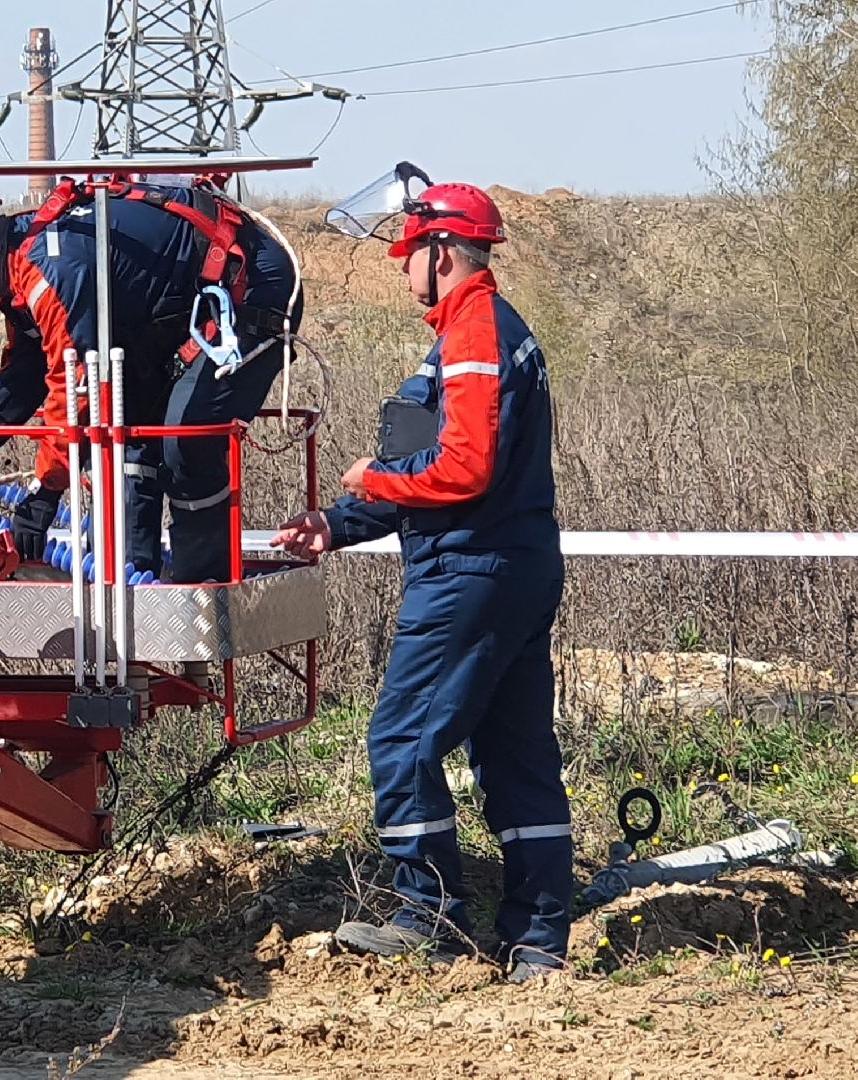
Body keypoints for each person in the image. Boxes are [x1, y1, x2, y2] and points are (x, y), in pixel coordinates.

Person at [271, 182, 571, 981]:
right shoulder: (465, 340)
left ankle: (429, 912)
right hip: (513, 566)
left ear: (441, 254)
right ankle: (538, 942)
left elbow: (460, 470)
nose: (403, 274)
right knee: (515, 754)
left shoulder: (474, 334)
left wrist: (374, 480)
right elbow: (411, 474)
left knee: (402, 740)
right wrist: (336, 523)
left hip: (469, 571)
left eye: (406, 258)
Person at [0, 173, 301, 584]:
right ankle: (133, 581)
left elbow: (74, 383)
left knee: (186, 441)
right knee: (125, 443)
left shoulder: (51, 270)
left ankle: (202, 587)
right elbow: (25, 375)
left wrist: (44, 492)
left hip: (249, 290)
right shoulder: (21, 273)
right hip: (178, 310)